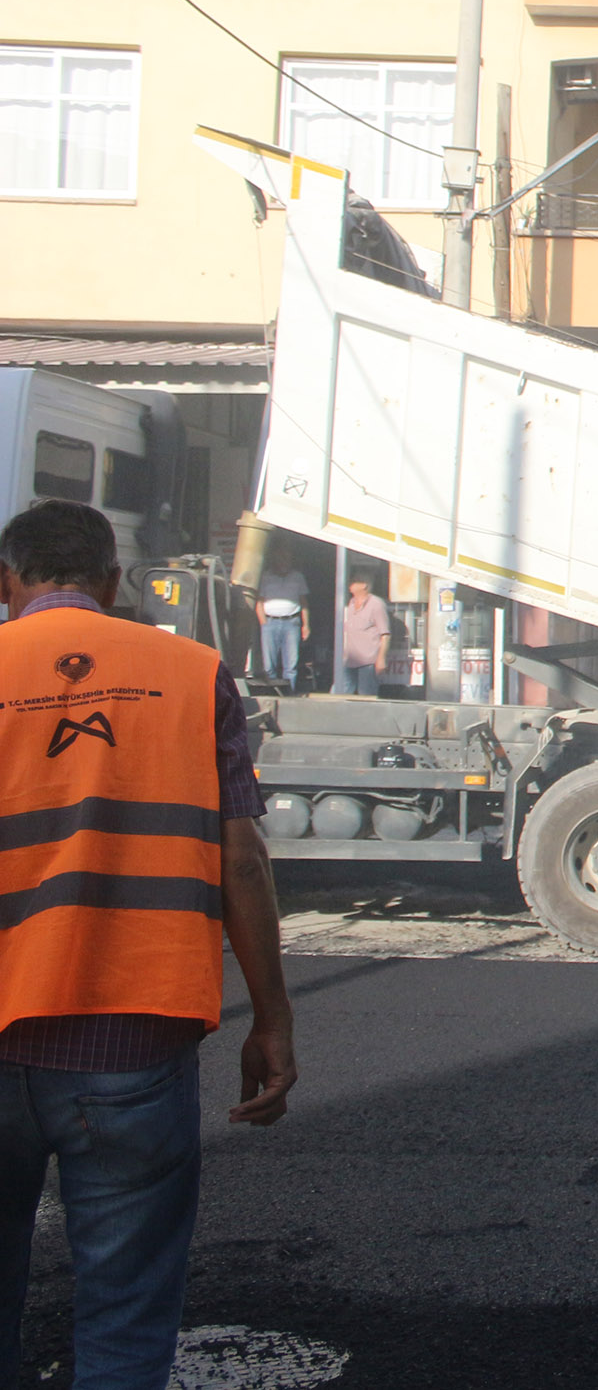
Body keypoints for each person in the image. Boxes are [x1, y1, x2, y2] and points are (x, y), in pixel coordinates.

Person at [0, 500, 296, 1389]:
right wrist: (272, 1018)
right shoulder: (191, 673)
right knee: (125, 1322)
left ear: (8, 583)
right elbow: (241, 859)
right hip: (134, 1036)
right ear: (112, 581)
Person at [256, 554, 310, 692]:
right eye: (280, 559)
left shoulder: (298, 577)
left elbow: (304, 602)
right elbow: (259, 602)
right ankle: (272, 693)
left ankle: (289, 693)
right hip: (270, 622)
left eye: (286, 559)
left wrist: (306, 625)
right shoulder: (266, 577)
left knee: (291, 665)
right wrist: (264, 623)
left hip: (291, 623)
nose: (283, 562)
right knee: (269, 665)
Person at [335, 572, 389, 696]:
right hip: (349, 660)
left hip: (368, 661)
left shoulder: (376, 604)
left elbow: (385, 634)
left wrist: (381, 659)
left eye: (354, 581)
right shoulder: (350, 603)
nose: (350, 584)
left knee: (366, 696)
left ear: (364, 585)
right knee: (339, 694)